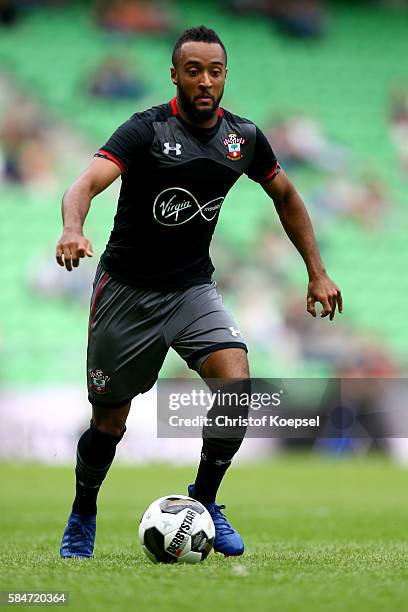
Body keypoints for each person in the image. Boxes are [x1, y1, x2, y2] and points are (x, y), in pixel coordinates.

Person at [56, 25, 342, 559]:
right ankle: (83, 509)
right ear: (175, 75)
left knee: (236, 381)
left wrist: (316, 271)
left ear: (225, 75)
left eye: (215, 71)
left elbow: (287, 195)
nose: (205, 81)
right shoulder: (145, 130)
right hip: (126, 294)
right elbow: (85, 183)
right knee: (109, 423)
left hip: (191, 290)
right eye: (194, 71)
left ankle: (206, 499)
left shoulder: (244, 138)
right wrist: (74, 227)